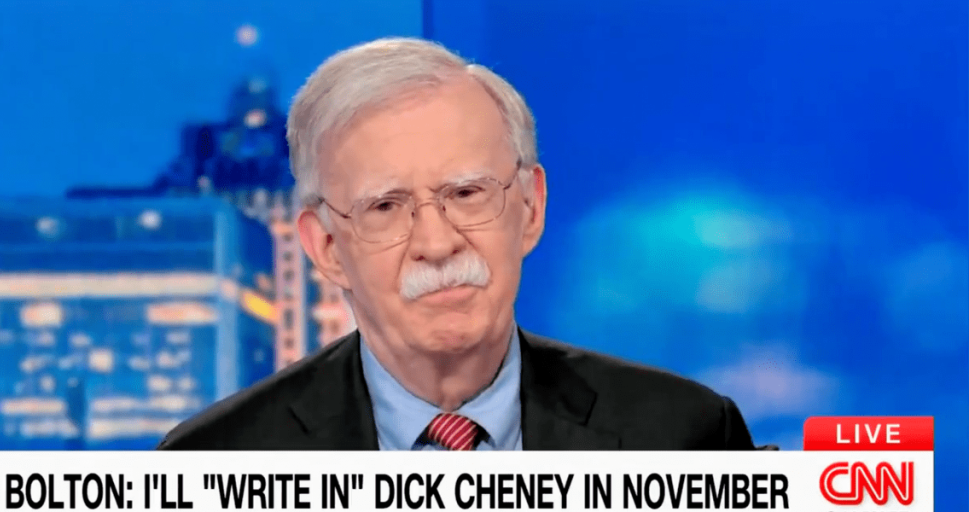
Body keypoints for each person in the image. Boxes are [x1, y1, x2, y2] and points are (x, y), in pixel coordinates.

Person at [159, 37, 765, 451]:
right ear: (326, 249)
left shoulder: (685, 437)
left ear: (530, 208)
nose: (437, 242)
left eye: (467, 193)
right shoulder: (213, 465)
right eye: (385, 206)